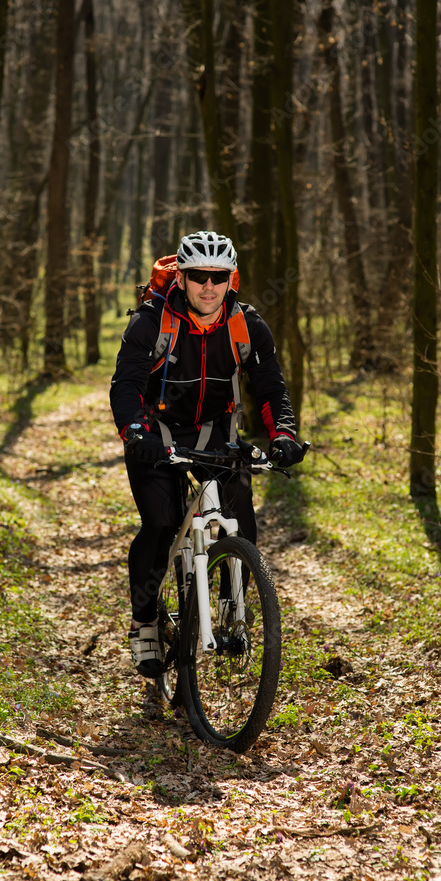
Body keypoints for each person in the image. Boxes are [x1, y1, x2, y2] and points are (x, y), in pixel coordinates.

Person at [110, 230, 306, 677]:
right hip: (154, 434)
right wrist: (135, 430)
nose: (208, 286)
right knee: (160, 525)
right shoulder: (150, 321)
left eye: (218, 277)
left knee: (243, 524)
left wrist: (285, 436)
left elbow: (272, 387)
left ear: (231, 278)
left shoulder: (247, 325)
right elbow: (126, 385)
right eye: (198, 275)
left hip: (215, 435)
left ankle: (228, 603)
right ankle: (145, 623)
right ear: (180, 276)